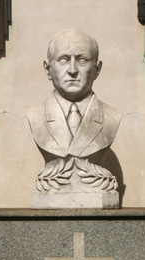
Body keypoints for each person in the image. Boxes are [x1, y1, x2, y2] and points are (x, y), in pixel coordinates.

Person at [27, 29, 123, 165]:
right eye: (63, 60)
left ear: (97, 69)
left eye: (82, 60)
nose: (72, 70)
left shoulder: (112, 117)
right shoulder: (35, 117)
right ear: (48, 69)